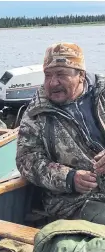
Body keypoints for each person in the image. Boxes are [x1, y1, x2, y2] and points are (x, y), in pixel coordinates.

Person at [16, 42, 105, 223]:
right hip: (75, 201)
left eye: (61, 74)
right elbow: (26, 159)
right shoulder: (36, 113)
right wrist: (69, 178)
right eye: (48, 75)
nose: (52, 82)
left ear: (81, 75)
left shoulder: (102, 93)